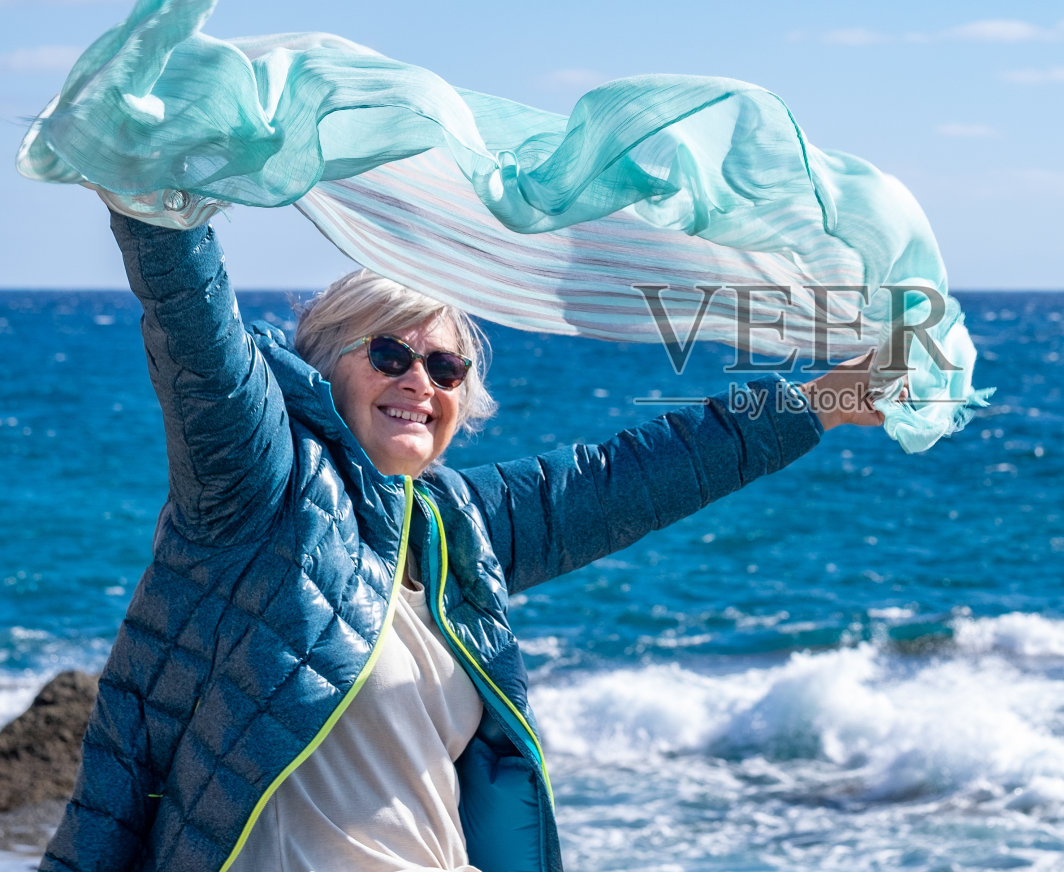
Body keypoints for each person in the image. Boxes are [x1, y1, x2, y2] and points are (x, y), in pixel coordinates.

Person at [42, 210, 884, 872]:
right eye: (390, 354)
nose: (420, 381)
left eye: (445, 368)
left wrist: (832, 400)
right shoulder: (258, 490)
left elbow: (635, 475)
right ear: (325, 368)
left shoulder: (458, 528)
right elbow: (197, 340)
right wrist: (159, 212)